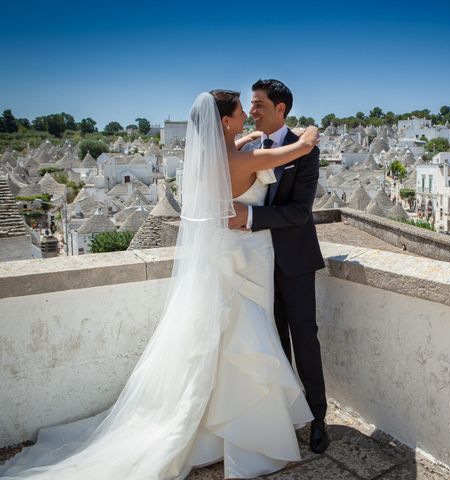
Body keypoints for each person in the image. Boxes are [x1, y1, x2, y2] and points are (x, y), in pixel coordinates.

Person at [0, 91, 319, 479]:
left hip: (228, 257)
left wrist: (246, 139)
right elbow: (303, 146)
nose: (247, 115)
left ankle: (215, 425)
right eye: (241, 110)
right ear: (225, 122)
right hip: (248, 257)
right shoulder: (248, 156)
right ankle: (246, 432)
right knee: (247, 338)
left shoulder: (214, 158)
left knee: (225, 339)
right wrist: (310, 128)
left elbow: (239, 154)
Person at [228, 79, 329, 455]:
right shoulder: (249, 146)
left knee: (305, 339)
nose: (252, 111)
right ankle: (283, 415)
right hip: (254, 262)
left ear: (280, 109)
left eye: (258, 104)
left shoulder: (305, 150)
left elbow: (300, 212)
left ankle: (318, 417)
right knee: (271, 342)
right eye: (250, 105)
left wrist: (250, 215)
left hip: (294, 261)